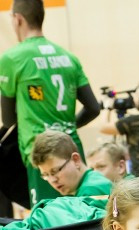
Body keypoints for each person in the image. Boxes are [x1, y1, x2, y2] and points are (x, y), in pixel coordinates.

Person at [0, 0, 100, 206]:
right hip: (73, 154)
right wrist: (66, 127)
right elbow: (93, 108)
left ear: (18, 19)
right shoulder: (68, 57)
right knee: (81, 218)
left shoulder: (13, 58)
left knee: (50, 227)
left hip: (43, 161)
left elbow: (8, 120)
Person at [31, 130, 112, 198]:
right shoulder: (90, 184)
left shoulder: (92, 191)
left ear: (75, 160)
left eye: (55, 171)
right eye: (46, 175)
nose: (52, 180)